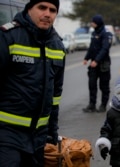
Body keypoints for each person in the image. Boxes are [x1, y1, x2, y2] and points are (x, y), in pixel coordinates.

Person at [0, 0, 65, 166]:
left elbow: (55, 96)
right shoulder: (8, 36)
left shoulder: (58, 46)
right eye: (42, 7)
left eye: (52, 10)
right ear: (29, 9)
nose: (47, 14)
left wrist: (52, 133)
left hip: (39, 138)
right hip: (7, 134)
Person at [83, 14, 113, 113]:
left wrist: (96, 60)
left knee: (104, 86)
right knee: (92, 84)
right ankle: (92, 104)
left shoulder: (106, 34)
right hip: (93, 64)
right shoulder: (94, 33)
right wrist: (86, 58)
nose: (92, 23)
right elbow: (92, 47)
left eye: (93, 22)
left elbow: (105, 49)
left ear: (97, 23)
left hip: (103, 64)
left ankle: (103, 105)